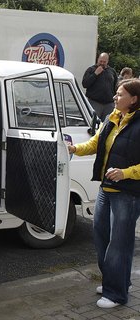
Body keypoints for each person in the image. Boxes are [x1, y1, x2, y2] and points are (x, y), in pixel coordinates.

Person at [68, 78, 140, 308]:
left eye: (119, 94)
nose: (114, 97)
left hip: (127, 193)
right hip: (105, 190)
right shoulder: (111, 117)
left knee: (119, 244)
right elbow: (95, 143)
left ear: (134, 99)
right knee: (102, 238)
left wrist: (126, 173)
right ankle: (116, 281)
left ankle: (116, 294)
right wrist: (73, 148)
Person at [82, 52, 118, 121]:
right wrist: (95, 74)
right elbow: (85, 84)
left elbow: (116, 86)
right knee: (93, 123)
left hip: (109, 104)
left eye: (104, 62)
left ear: (107, 61)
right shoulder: (91, 69)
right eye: (100, 61)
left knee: (107, 125)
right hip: (95, 103)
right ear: (97, 59)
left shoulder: (112, 71)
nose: (102, 63)